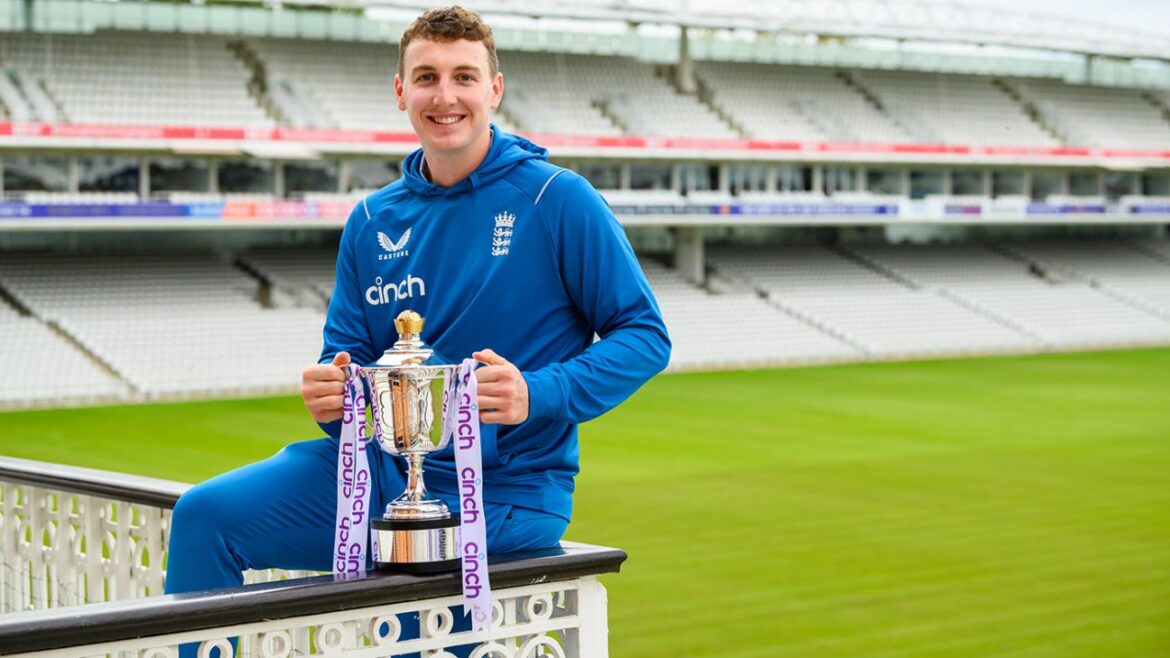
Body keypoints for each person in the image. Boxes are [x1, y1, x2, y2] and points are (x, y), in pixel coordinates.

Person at [165, 3, 669, 608]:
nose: (445, 96)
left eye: (464, 77)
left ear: (494, 90)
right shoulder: (371, 219)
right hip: (377, 474)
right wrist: (331, 393)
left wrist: (538, 392)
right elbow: (345, 359)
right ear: (401, 92)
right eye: (427, 77)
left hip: (506, 490)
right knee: (203, 516)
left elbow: (644, 335)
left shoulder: (556, 199)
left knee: (406, 606)